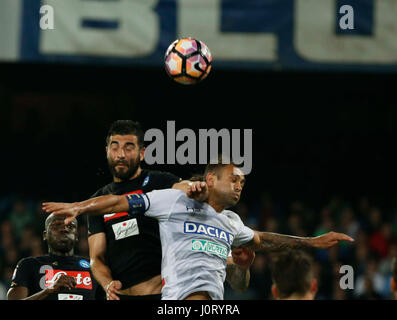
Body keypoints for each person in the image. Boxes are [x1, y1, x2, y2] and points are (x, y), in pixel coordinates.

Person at [43, 160, 354, 300]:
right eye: (233, 179)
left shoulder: (232, 222)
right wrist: (79, 207)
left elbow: (262, 240)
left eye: (242, 182)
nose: (239, 186)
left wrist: (311, 242)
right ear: (210, 179)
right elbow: (118, 202)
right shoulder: (175, 201)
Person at [87, 120, 253, 300]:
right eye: (115, 147)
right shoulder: (99, 201)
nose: (121, 154)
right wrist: (107, 284)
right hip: (120, 296)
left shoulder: (160, 182)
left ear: (142, 153)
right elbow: (96, 258)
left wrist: (196, 188)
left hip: (164, 294)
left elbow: (186, 188)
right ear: (107, 152)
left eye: (128, 148)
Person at [7, 214, 96, 300]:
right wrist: (48, 291)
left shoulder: (94, 267)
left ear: (76, 236)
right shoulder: (29, 265)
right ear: (45, 235)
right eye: (57, 225)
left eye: (70, 226)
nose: (64, 229)